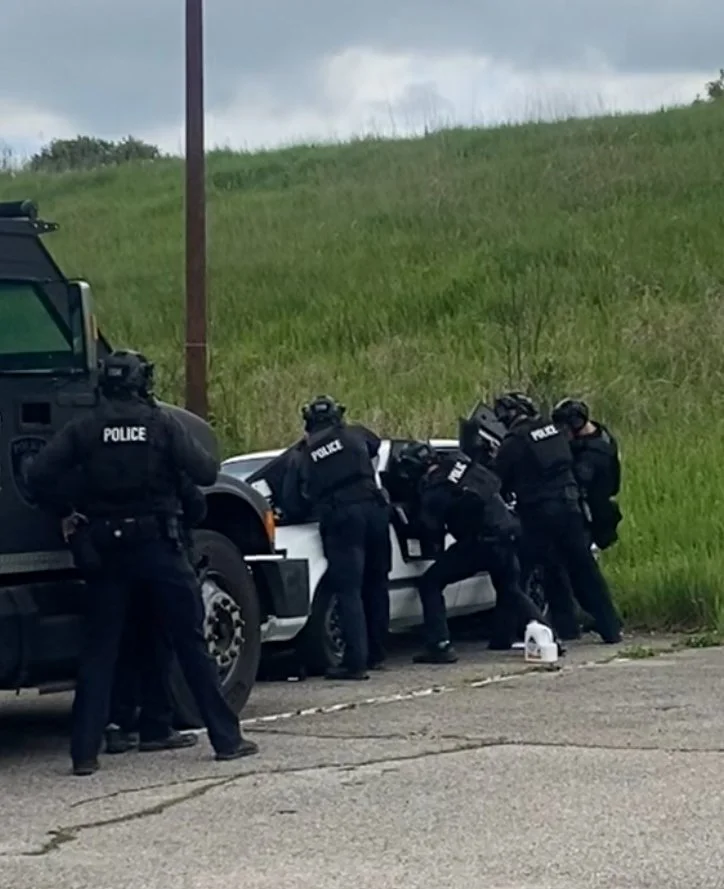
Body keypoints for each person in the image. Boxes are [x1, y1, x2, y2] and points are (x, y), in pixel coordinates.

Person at [26, 349, 258, 775]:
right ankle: (228, 740)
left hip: (107, 551)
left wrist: (71, 509)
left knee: (99, 653)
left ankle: (84, 755)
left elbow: (38, 475)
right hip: (159, 548)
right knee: (190, 643)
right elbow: (206, 473)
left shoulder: (85, 428)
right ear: (141, 383)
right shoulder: (161, 425)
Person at [394, 441, 558, 664]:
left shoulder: (435, 490)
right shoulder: (462, 462)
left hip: (480, 543)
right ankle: (549, 639)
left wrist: (400, 520)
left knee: (430, 583)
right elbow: (495, 483)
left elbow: (429, 532)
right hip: (508, 532)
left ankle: (439, 645)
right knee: (511, 590)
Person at [491, 391, 623, 644]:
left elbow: (499, 482)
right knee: (583, 571)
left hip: (538, 515)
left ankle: (504, 635)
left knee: (517, 572)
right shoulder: (553, 431)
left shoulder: (514, 442)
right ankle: (609, 628)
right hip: (570, 510)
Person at [281, 395, 391, 680]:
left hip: (343, 518)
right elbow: (376, 444)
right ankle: (377, 653)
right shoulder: (355, 434)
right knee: (377, 582)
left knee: (348, 589)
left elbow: (293, 502)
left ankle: (355, 663)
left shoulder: (303, 453)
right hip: (375, 511)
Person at [551, 398, 622, 551]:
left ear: (575, 424)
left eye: (563, 428)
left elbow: (575, 483)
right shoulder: (600, 434)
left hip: (592, 512)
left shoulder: (592, 456)